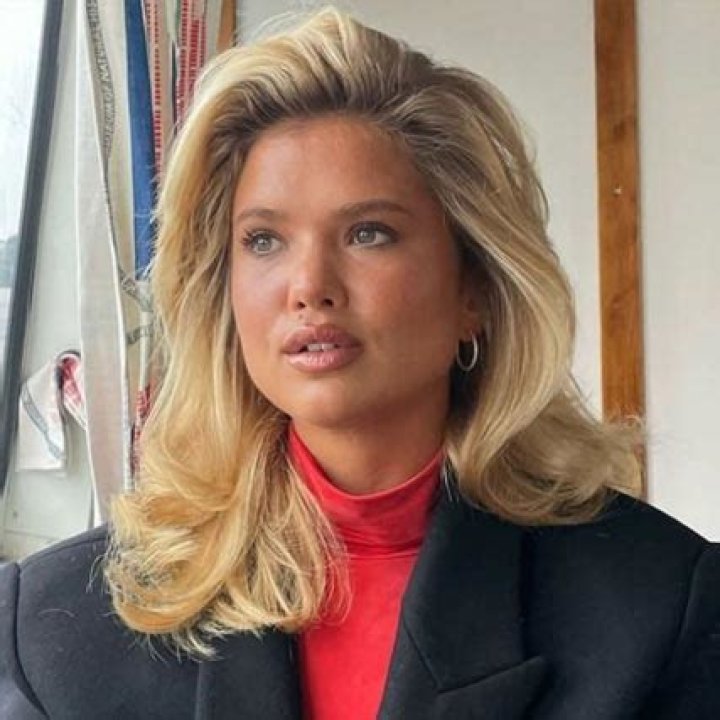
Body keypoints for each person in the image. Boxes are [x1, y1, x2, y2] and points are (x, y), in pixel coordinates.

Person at [1, 7, 718, 719]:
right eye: (263, 240)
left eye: (368, 233)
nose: (309, 286)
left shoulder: (659, 606)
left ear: (475, 288)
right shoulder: (53, 631)